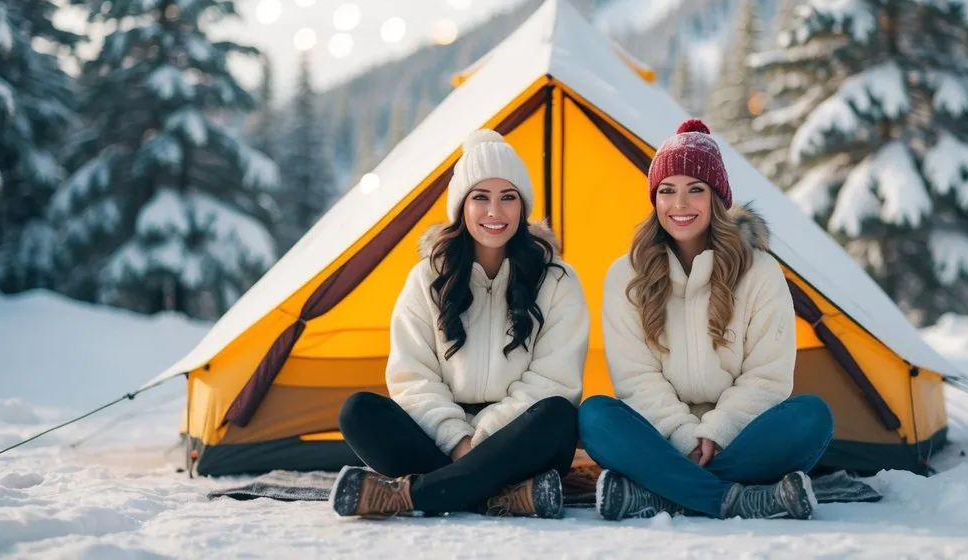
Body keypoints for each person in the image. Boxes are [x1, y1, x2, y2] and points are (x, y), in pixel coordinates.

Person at [578, 119, 834, 521]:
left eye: (695, 189)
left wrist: (717, 431)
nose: (679, 204)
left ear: (716, 198)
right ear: (654, 200)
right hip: (662, 437)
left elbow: (767, 378)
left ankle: (660, 493)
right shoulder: (625, 276)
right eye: (667, 191)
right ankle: (737, 499)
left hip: (740, 435)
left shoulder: (759, 272)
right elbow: (636, 380)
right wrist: (683, 436)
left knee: (812, 417)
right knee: (595, 416)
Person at [330, 130, 589, 520]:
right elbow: (412, 376)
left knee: (556, 414)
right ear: (461, 207)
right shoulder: (426, 278)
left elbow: (555, 379)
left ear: (523, 207)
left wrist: (484, 438)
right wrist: (457, 439)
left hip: (520, 439)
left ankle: (411, 496)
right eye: (480, 198)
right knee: (358, 411)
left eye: (508, 198)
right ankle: (498, 495)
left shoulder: (557, 280)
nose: (494, 213)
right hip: (440, 437)